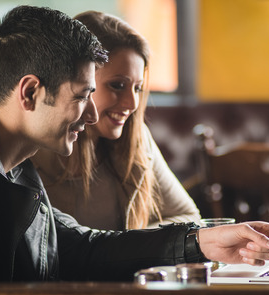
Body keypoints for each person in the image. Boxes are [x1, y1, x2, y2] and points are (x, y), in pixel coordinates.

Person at [0, 5, 269, 283]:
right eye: (82, 96)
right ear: (31, 92)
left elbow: (84, 248)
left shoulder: (18, 172)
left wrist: (201, 241)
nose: (89, 116)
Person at [32, 11, 201, 230]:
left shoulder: (135, 137)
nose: (132, 104)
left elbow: (188, 216)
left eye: (137, 88)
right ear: (75, 80)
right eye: (117, 85)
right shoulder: (29, 152)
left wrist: (128, 249)